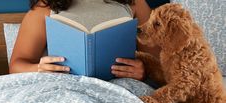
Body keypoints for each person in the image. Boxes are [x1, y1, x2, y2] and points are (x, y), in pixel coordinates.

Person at [9, 0, 169, 81]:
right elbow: (16, 66)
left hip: (122, 90)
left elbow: (164, 65)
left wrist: (144, 70)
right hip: (64, 91)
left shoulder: (134, 3)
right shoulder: (45, 7)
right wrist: (39, 69)